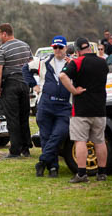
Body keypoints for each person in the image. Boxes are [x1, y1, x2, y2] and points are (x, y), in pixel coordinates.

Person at [60, 37, 109, 183]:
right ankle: (102, 173)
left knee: (80, 140)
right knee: (100, 141)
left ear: (77, 50)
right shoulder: (102, 62)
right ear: (90, 48)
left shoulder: (77, 61)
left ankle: (82, 174)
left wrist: (74, 91)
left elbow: (62, 76)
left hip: (81, 109)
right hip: (99, 107)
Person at [23, 36, 72, 177]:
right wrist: (34, 85)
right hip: (46, 104)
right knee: (45, 136)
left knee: (59, 134)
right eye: (55, 47)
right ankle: (52, 168)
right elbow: (25, 69)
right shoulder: (44, 61)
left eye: (60, 47)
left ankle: (42, 161)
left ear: (66, 48)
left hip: (64, 106)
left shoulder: (72, 63)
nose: (57, 50)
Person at [0, 23, 33, 158]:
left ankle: (15, 150)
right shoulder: (25, 45)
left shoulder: (2, 49)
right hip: (24, 84)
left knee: (12, 118)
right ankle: (26, 148)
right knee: (24, 117)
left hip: (10, 84)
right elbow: (31, 65)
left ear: (4, 34)